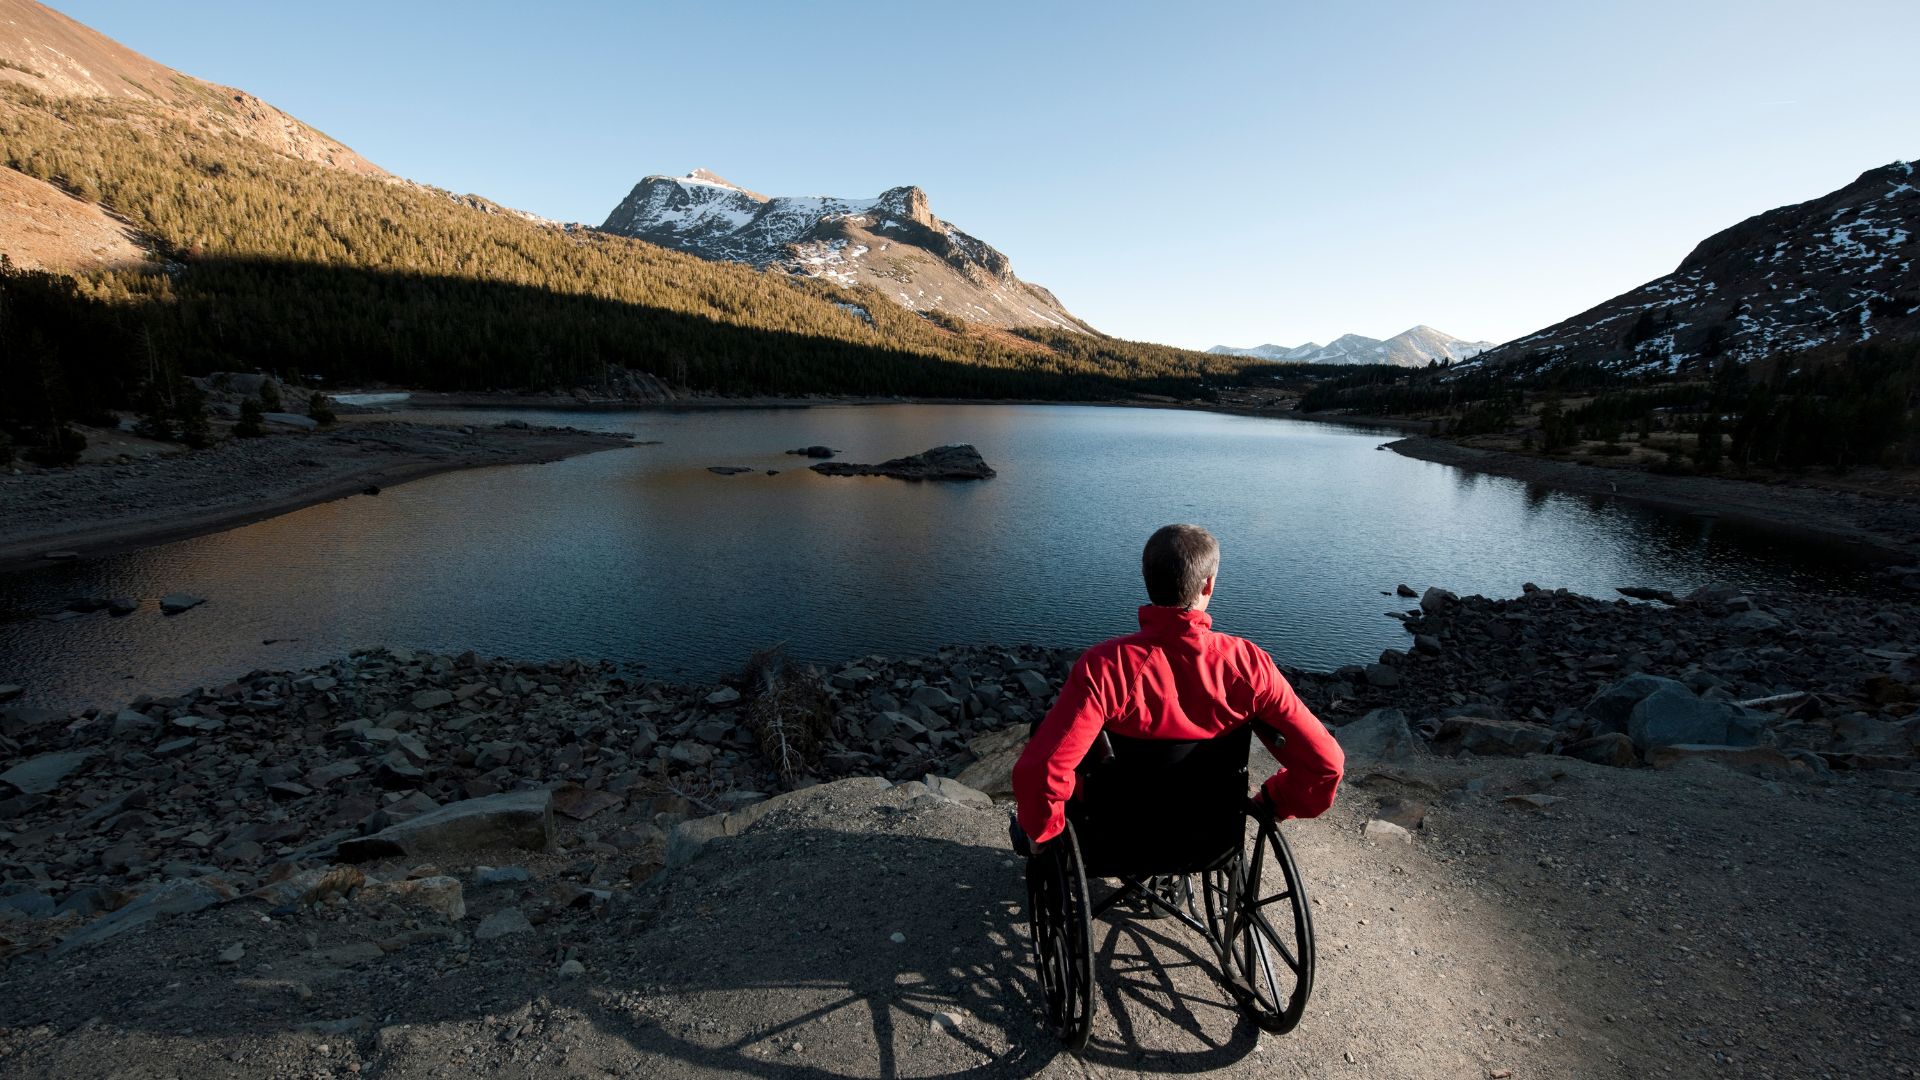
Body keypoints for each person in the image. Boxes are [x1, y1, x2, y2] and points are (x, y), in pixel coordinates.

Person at [1012, 523, 1344, 848]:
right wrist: (1272, 803)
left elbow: (1042, 770)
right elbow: (1325, 764)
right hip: (1209, 827)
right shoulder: (1248, 665)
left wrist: (1044, 831)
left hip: (1115, 829)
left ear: (1147, 580)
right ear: (1208, 585)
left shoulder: (1104, 666)